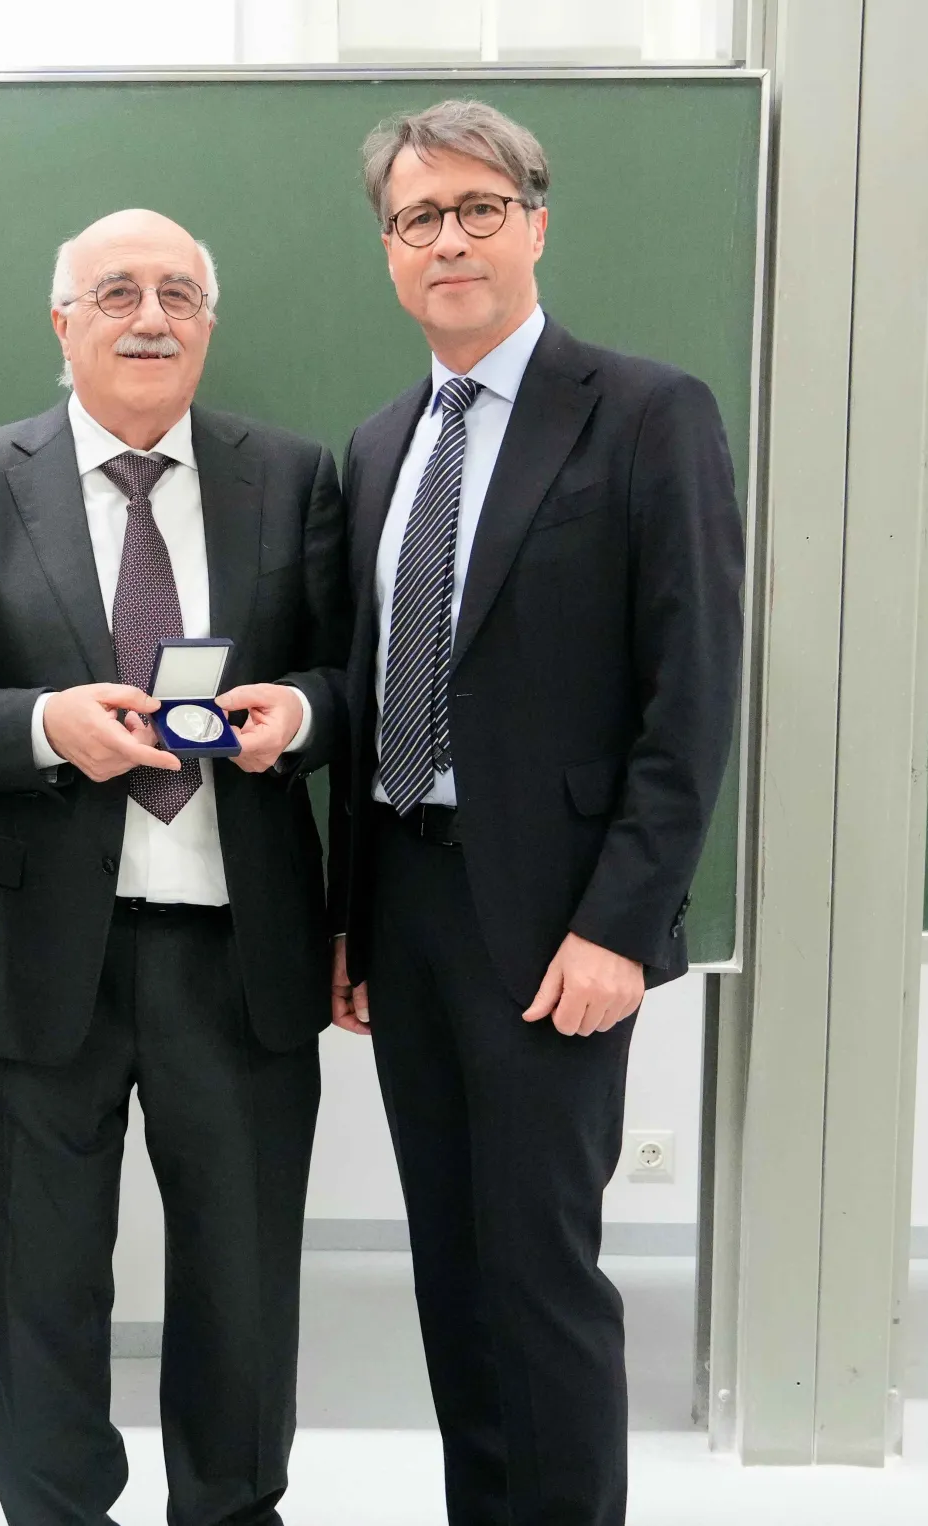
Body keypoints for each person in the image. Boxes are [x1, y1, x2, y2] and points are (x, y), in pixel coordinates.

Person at [327, 101, 745, 1526]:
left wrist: (621, 923)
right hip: (408, 904)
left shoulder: (643, 412)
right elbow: (367, 691)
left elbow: (690, 695)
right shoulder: (378, 445)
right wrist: (351, 921)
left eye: (477, 209)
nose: (447, 239)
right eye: (416, 218)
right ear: (389, 252)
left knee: (540, 1270)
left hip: (557, 921)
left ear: (535, 225)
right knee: (450, 1268)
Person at [0, 209, 348, 1526]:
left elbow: (351, 680)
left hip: (241, 952)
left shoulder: (292, 475)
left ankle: (231, 1507)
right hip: (39, 958)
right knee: (39, 1283)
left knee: (242, 1281)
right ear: (62, 322)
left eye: (176, 294)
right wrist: (48, 725)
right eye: (114, 293)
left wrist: (298, 713)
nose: (148, 316)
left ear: (207, 323)